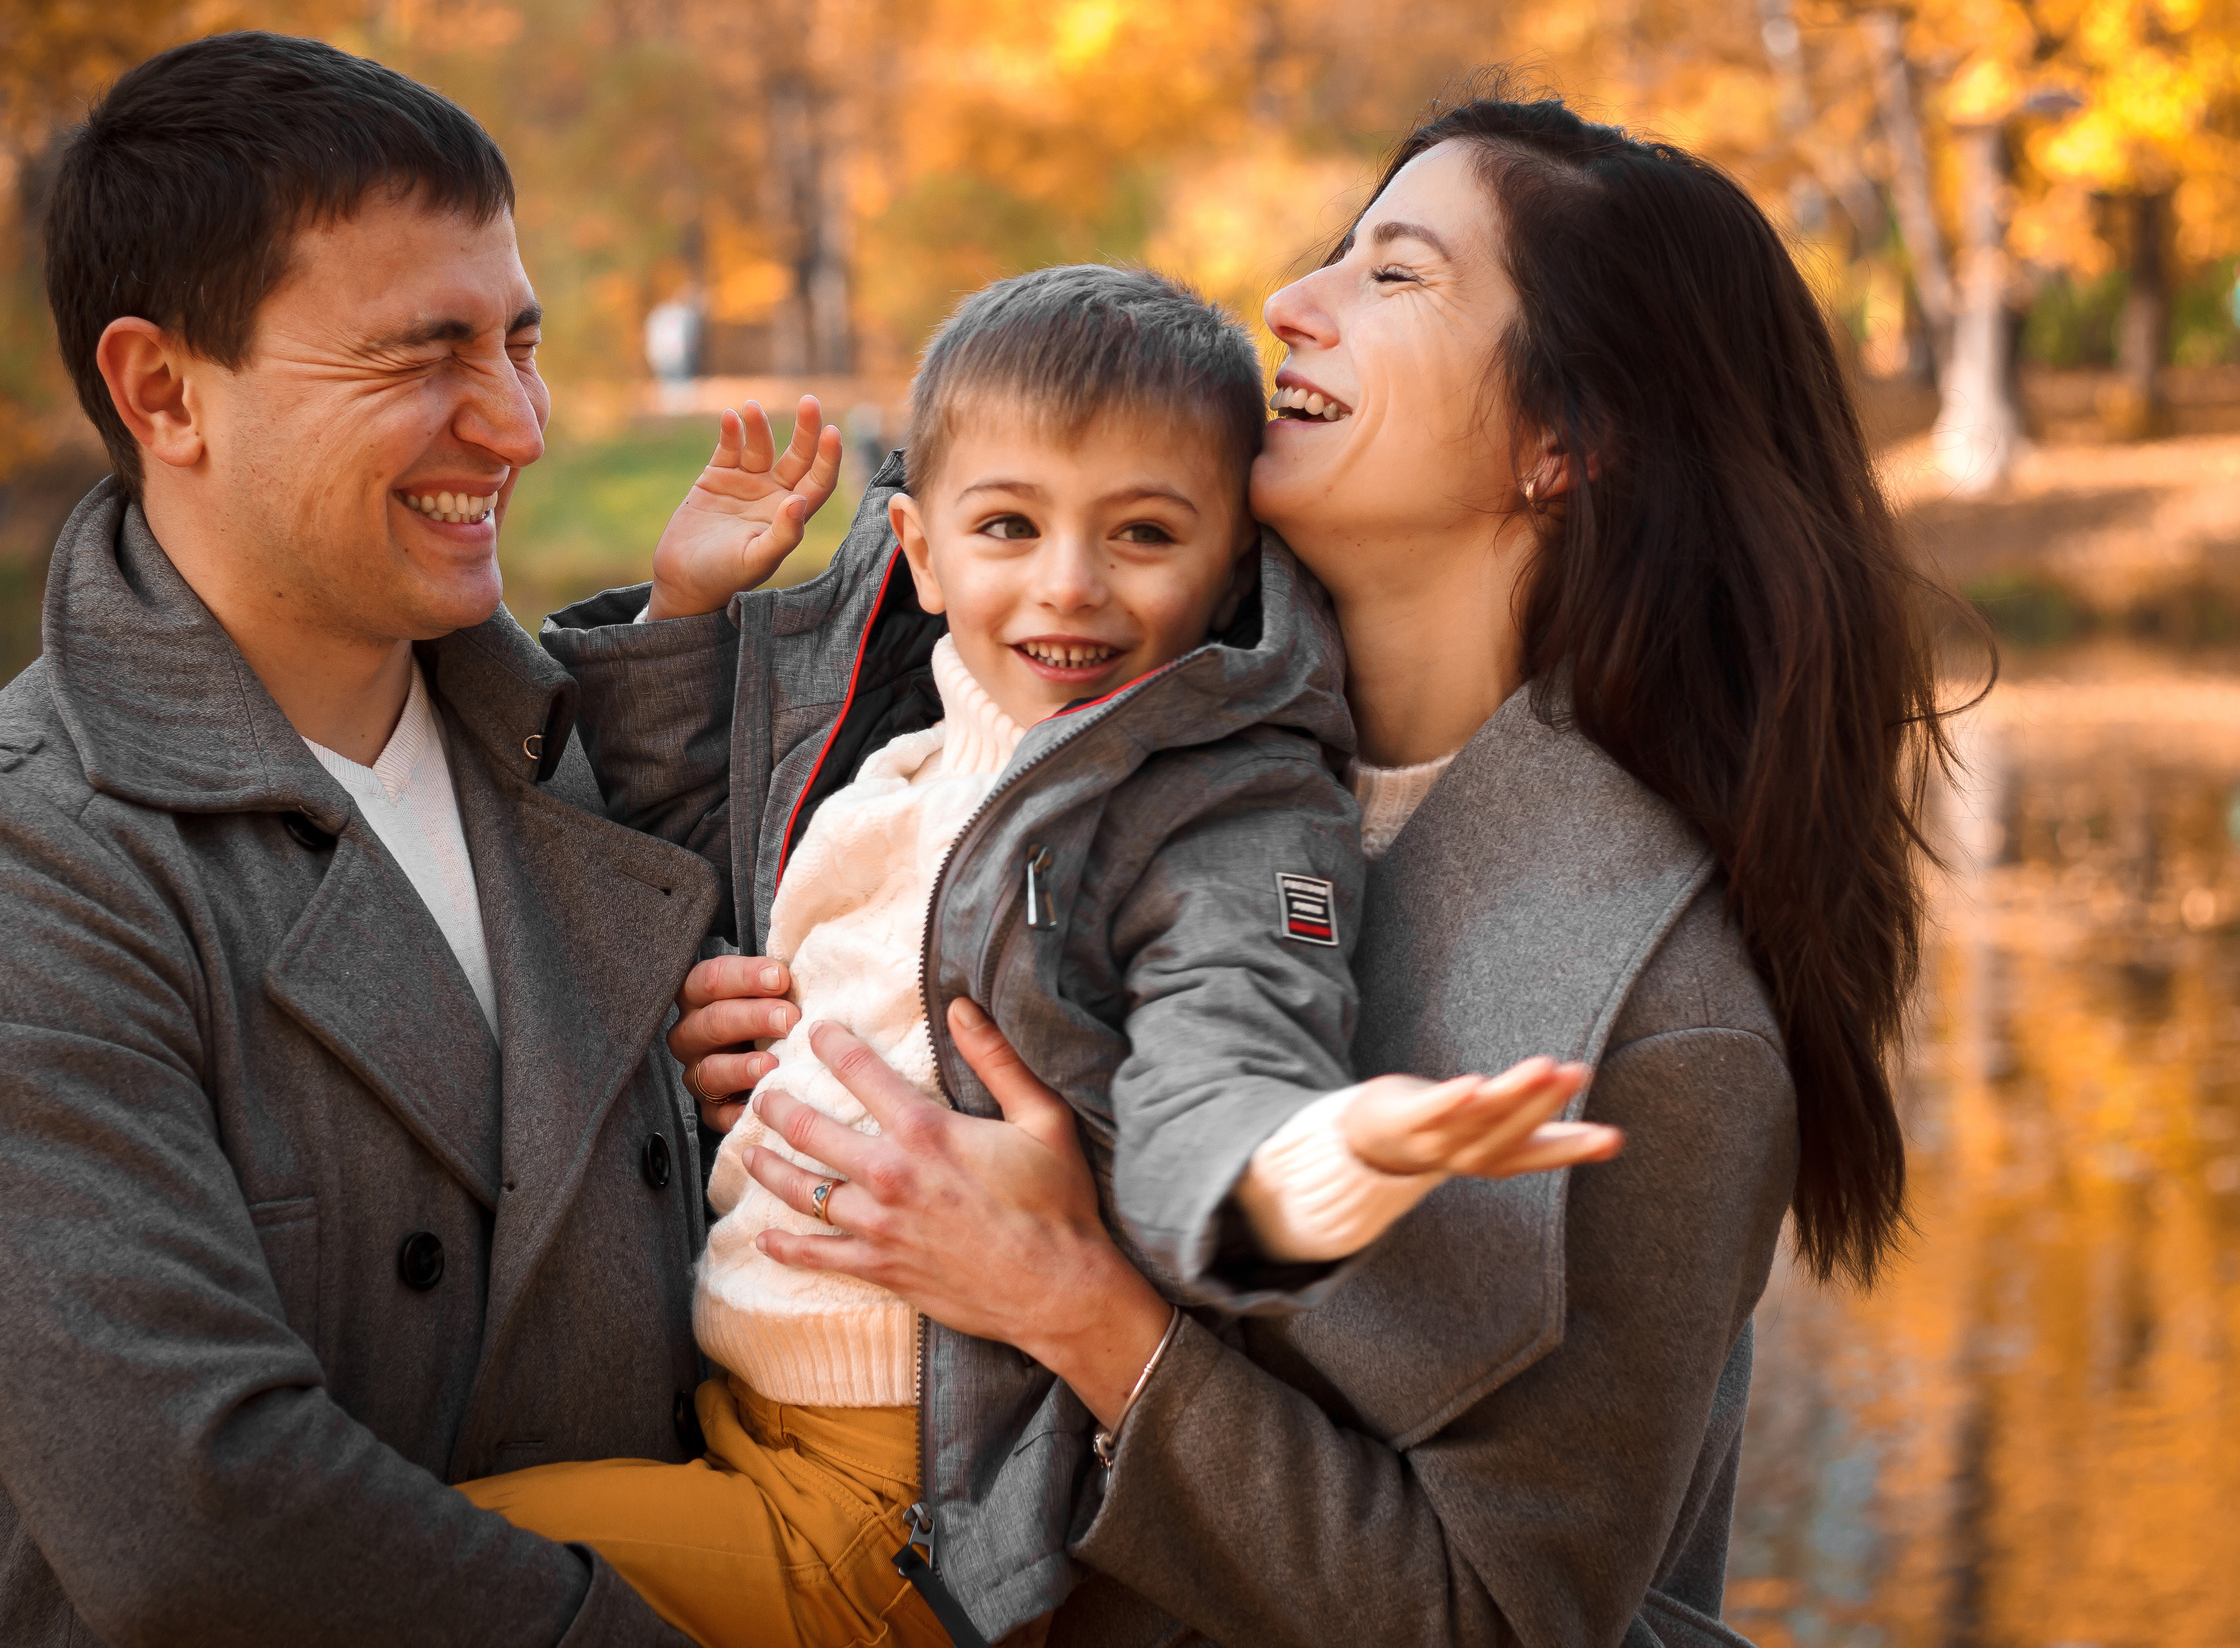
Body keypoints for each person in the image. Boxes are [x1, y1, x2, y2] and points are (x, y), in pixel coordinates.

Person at [667, 92, 1956, 1645]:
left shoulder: (1661, 1013)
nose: (1289, 301)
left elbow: (1495, 1619)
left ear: (1564, 442)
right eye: (1337, 253)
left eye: (1394, 273)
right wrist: (752, 1018)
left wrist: (1077, 1307)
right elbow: (775, 822)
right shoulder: (1112, 676)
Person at [465, 266, 1619, 1648]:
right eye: (1010, 525)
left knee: (406, 1566)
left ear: (1229, 562)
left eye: (1144, 533)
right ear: (920, 549)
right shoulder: (903, 755)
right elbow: (694, 854)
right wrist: (683, 609)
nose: (1069, 584)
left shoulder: (1210, 809)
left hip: (894, 1505)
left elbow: (1230, 1038)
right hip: (731, 1410)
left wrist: (1300, 1170)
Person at [0, 33, 725, 1646]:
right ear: (165, 392)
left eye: (519, 343)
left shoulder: (604, 765)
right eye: (422, 356)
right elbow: (205, 1520)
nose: (516, 426)